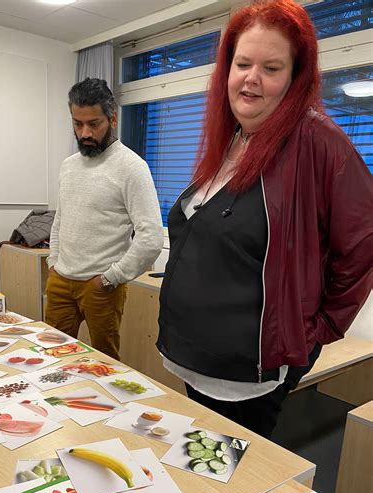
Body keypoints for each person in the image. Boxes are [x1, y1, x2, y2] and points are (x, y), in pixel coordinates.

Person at [157, 0, 372, 438]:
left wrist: (316, 330)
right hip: (194, 357)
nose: (251, 78)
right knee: (194, 467)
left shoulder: (316, 142)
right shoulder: (234, 139)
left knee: (228, 482)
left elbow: (364, 241)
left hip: (246, 375)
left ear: (295, 78)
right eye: (242, 63)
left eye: (271, 68)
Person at [46, 78, 164, 361]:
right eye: (77, 124)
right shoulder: (68, 166)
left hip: (100, 286)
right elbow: (61, 219)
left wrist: (111, 279)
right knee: (51, 357)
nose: (85, 133)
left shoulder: (132, 167)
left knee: (104, 364)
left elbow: (151, 237)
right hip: (61, 280)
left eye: (94, 124)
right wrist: (53, 263)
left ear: (112, 118)